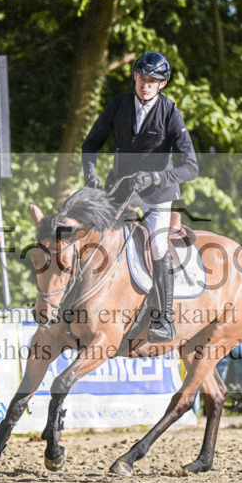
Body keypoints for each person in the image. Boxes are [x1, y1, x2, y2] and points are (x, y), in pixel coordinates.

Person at [81, 50, 199, 343]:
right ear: (135, 77)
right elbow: (90, 143)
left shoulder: (170, 112)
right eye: (142, 78)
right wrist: (90, 174)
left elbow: (191, 166)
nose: (146, 84)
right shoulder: (118, 105)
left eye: (152, 80)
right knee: (92, 232)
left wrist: (157, 177)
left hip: (158, 193)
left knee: (157, 244)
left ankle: (164, 318)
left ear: (162, 84)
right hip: (121, 190)